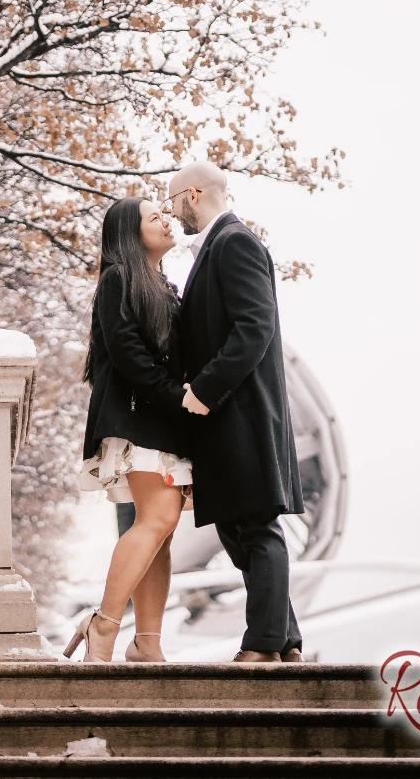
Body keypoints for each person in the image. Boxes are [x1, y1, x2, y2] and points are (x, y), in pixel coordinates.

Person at [165, 160, 307, 663]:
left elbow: (255, 326)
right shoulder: (223, 245)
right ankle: (284, 639)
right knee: (239, 528)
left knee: (254, 526)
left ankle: (263, 646)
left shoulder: (234, 242)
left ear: (193, 193)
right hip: (232, 417)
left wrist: (202, 390)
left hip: (238, 414)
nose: (171, 212)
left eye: (172, 199)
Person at [65, 196, 207, 662]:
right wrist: (178, 397)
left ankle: (147, 642)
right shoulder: (118, 278)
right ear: (130, 233)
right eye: (155, 217)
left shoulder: (163, 285)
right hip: (138, 417)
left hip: (162, 420)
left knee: (160, 530)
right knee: (158, 519)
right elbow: (128, 355)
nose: (167, 221)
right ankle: (104, 625)